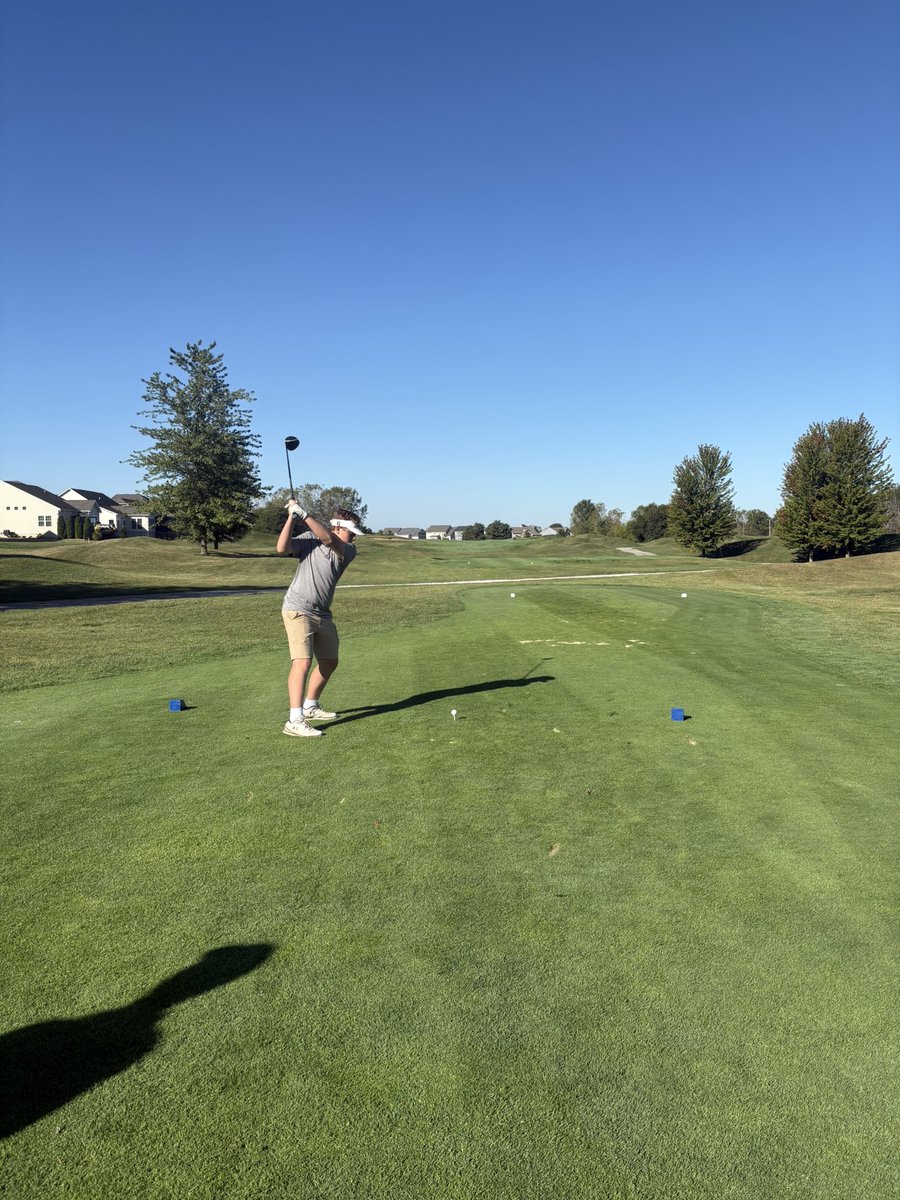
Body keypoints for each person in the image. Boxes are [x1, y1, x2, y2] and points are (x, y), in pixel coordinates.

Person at [277, 501, 364, 737]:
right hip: (297, 608)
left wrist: (304, 513)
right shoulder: (309, 539)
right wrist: (292, 517)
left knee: (329, 661)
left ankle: (310, 705)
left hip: (322, 613)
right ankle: (295, 719)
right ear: (338, 527)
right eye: (350, 532)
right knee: (302, 662)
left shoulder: (347, 550)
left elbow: (327, 539)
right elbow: (282, 548)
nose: (354, 537)